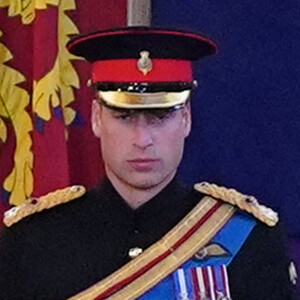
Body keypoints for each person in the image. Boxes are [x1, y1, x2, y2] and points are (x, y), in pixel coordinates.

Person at [0, 27, 298, 300]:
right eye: (124, 117)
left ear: (186, 119)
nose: (142, 139)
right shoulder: (32, 241)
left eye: (160, 117)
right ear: (95, 118)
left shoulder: (247, 238)